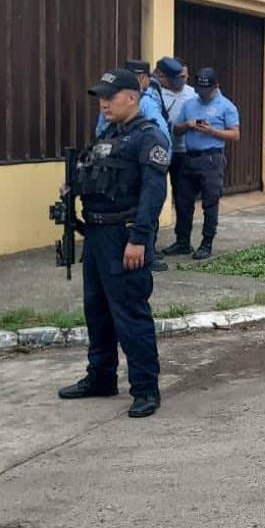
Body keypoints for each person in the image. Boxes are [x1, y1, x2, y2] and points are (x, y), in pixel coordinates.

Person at [57, 69, 169, 418]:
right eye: (101, 96)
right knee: (97, 309)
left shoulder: (148, 137)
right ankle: (101, 375)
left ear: (132, 97)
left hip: (125, 235)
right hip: (96, 235)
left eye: (111, 96)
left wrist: (139, 238)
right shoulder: (108, 135)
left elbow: (154, 193)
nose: (104, 102)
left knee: (130, 313)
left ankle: (145, 388)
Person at [164, 67, 240, 261]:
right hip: (189, 156)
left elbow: (235, 134)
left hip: (211, 158)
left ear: (216, 86)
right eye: (200, 90)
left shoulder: (226, 106)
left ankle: (207, 243)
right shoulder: (189, 104)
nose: (203, 94)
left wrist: (212, 131)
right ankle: (182, 241)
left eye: (207, 90)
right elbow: (177, 130)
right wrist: (188, 125)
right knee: (183, 201)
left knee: (210, 202)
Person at [123, 59, 171, 271]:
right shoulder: (146, 101)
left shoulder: (115, 101)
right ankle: (147, 257)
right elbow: (161, 135)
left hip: (125, 168)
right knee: (146, 209)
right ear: (143, 79)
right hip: (142, 166)